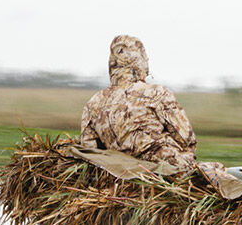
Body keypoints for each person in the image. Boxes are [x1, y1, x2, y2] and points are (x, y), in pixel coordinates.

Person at [78, 35, 200, 166]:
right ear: (139, 60)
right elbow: (186, 141)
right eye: (144, 55)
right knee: (216, 172)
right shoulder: (157, 93)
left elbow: (89, 148)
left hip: (119, 173)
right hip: (160, 169)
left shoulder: (93, 103)